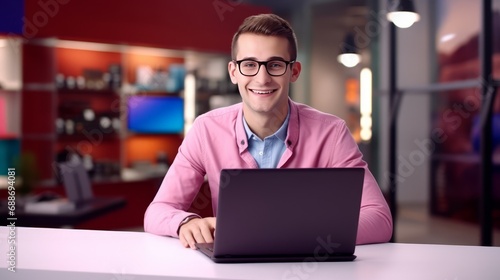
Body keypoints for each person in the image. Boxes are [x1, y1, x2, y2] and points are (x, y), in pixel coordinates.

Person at [144, 13, 393, 249]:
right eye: (249, 64)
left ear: (293, 71)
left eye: (275, 65)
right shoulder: (206, 130)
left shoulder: (332, 133)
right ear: (234, 72)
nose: (262, 79)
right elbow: (158, 211)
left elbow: (379, 219)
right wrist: (186, 222)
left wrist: (292, 233)